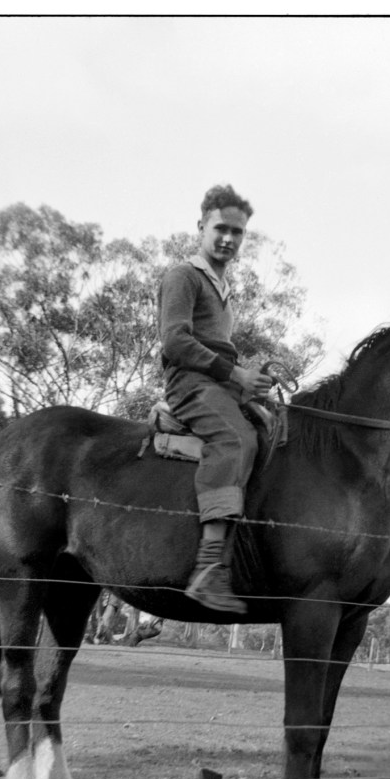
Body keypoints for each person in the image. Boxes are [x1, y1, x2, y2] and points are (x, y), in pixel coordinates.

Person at [158, 184, 273, 614]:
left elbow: (219, 351)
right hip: (189, 384)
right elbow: (175, 342)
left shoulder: (222, 286)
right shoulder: (183, 276)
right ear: (201, 226)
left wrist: (248, 383)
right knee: (236, 439)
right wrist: (235, 373)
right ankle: (208, 568)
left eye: (238, 232)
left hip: (219, 384)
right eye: (221, 228)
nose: (229, 238)